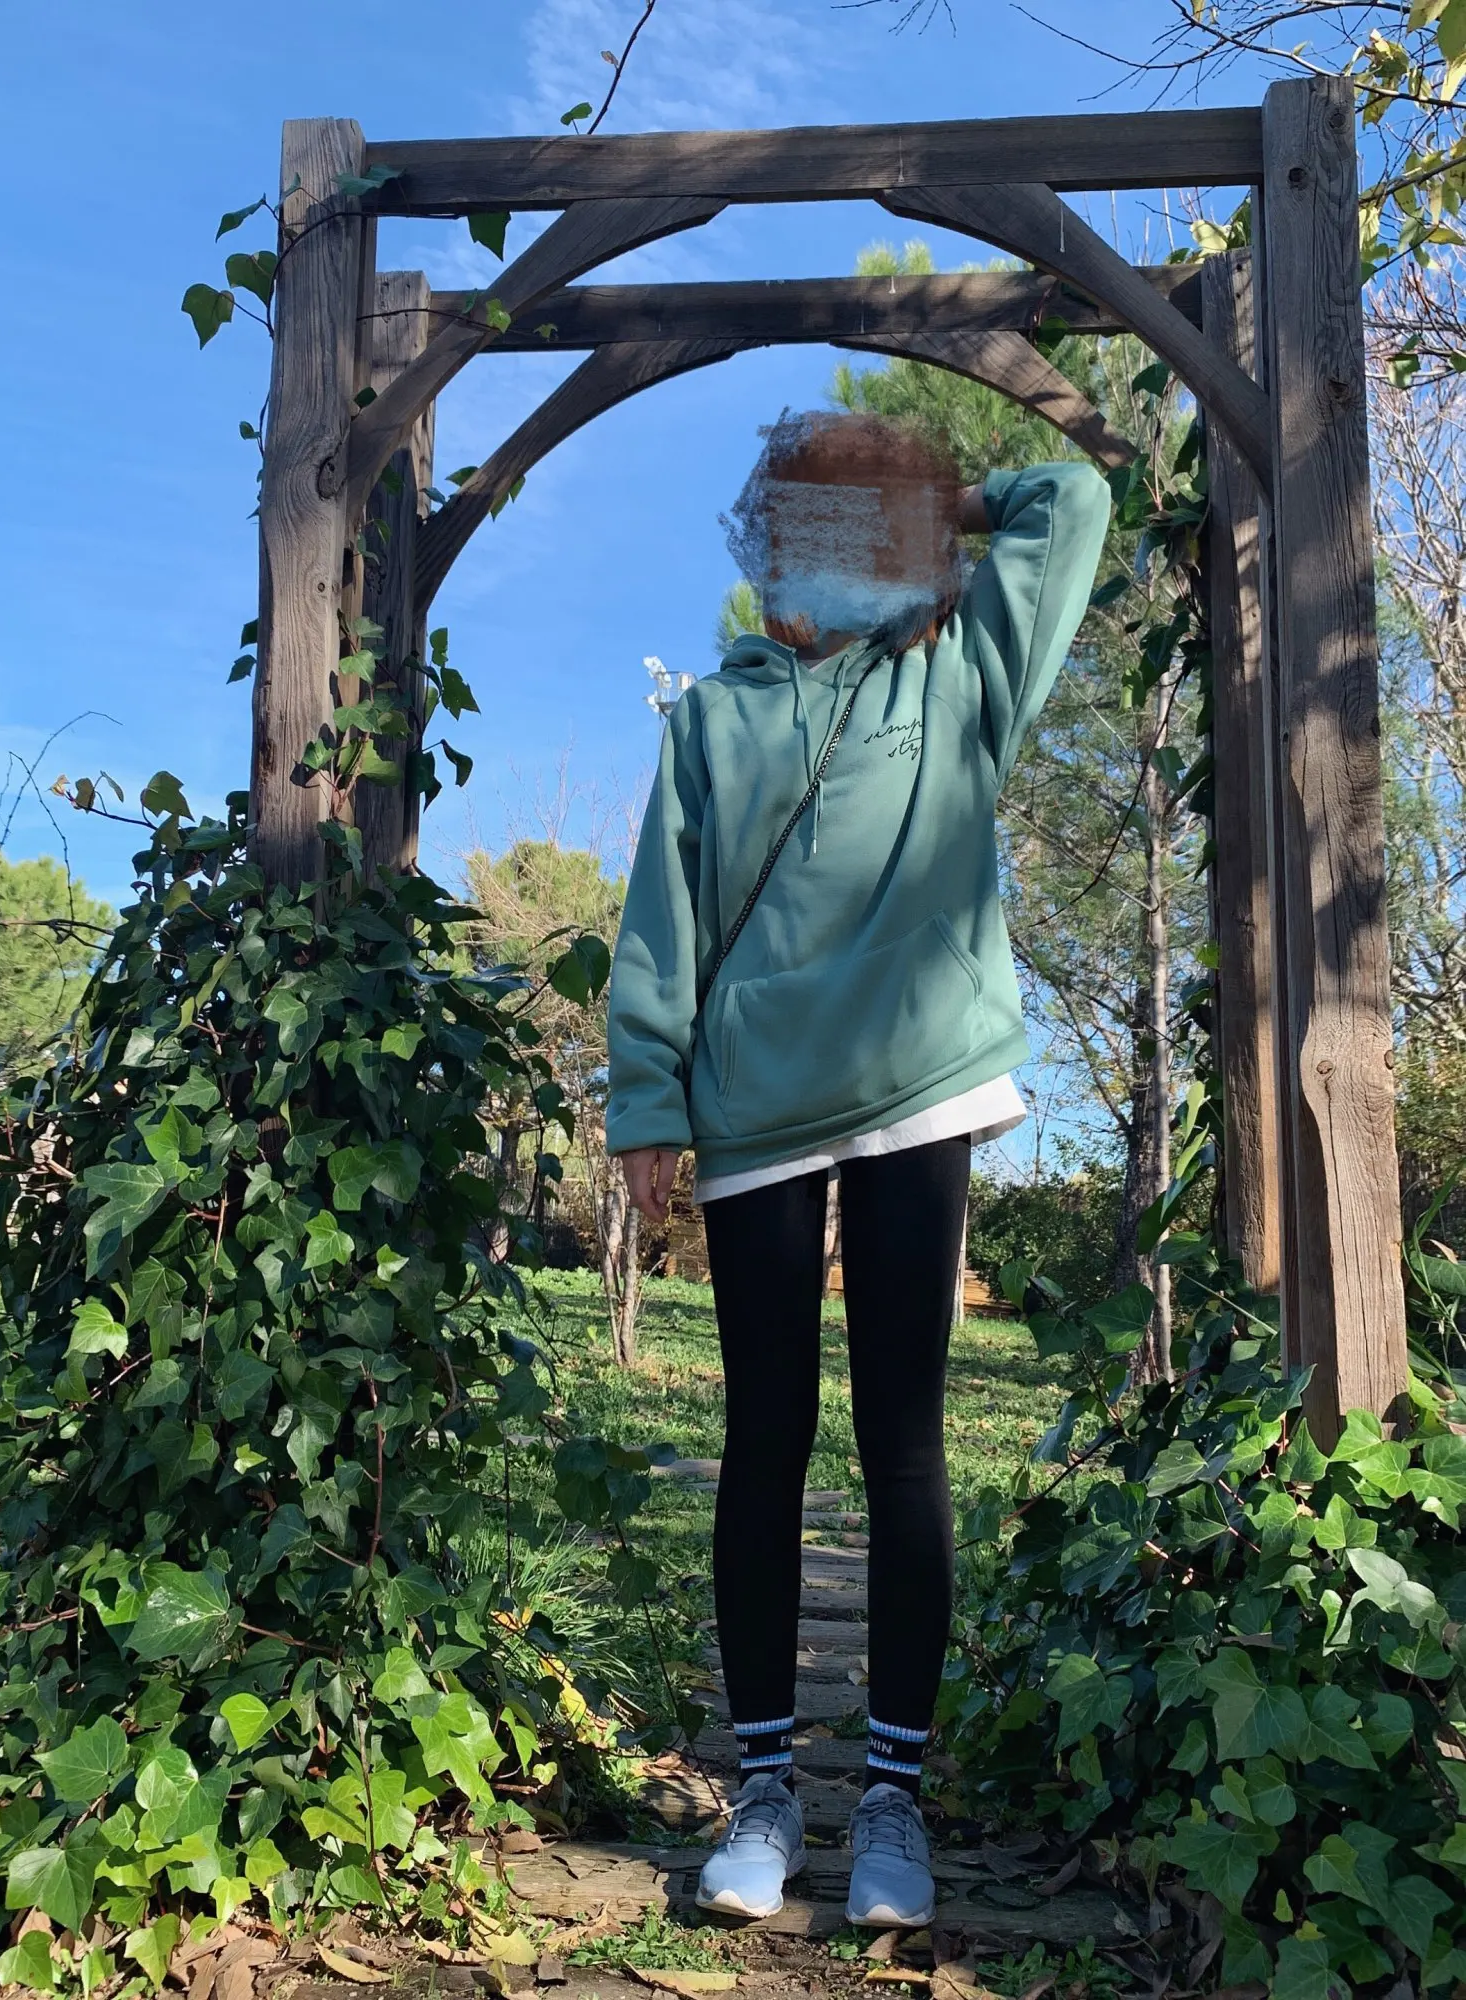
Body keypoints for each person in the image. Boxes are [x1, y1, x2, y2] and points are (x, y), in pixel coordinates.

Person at [604, 411, 1110, 1926]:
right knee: (763, 1440)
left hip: (920, 1094)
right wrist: (645, 1105)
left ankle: (893, 1798)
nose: (811, 565)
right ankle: (764, 1789)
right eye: (796, 535)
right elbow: (661, 917)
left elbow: (1075, 497)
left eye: (847, 534)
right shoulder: (710, 720)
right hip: (754, 1112)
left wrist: (937, 510)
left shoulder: (957, 675)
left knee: (905, 1441)